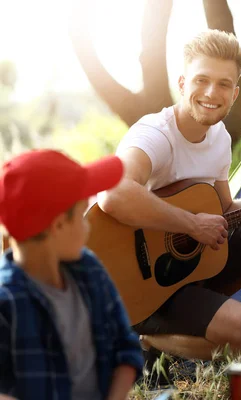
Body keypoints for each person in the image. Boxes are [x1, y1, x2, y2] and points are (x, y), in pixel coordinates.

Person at [97, 29, 241, 366]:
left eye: (223, 84)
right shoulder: (154, 135)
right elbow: (113, 192)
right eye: (201, 80)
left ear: (235, 93)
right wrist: (191, 223)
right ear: (182, 83)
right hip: (136, 286)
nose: (211, 92)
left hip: (187, 269)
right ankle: (142, 336)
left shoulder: (218, 137)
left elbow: (224, 211)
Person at [0, 150, 143, 400]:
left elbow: (126, 346)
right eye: (82, 216)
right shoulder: (6, 303)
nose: (87, 227)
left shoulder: (90, 269)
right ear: (58, 226)